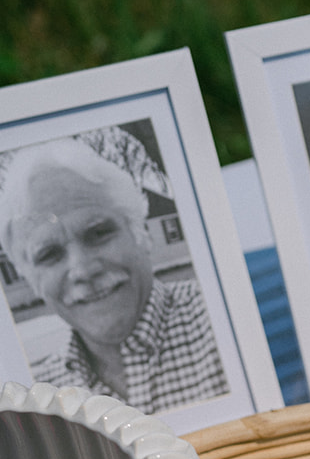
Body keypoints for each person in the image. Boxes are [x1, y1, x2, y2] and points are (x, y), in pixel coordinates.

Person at [0, 130, 228, 414]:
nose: (82, 270)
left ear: (140, 232)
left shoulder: (225, 322)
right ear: (31, 279)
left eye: (98, 233)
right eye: (49, 254)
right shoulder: (37, 401)